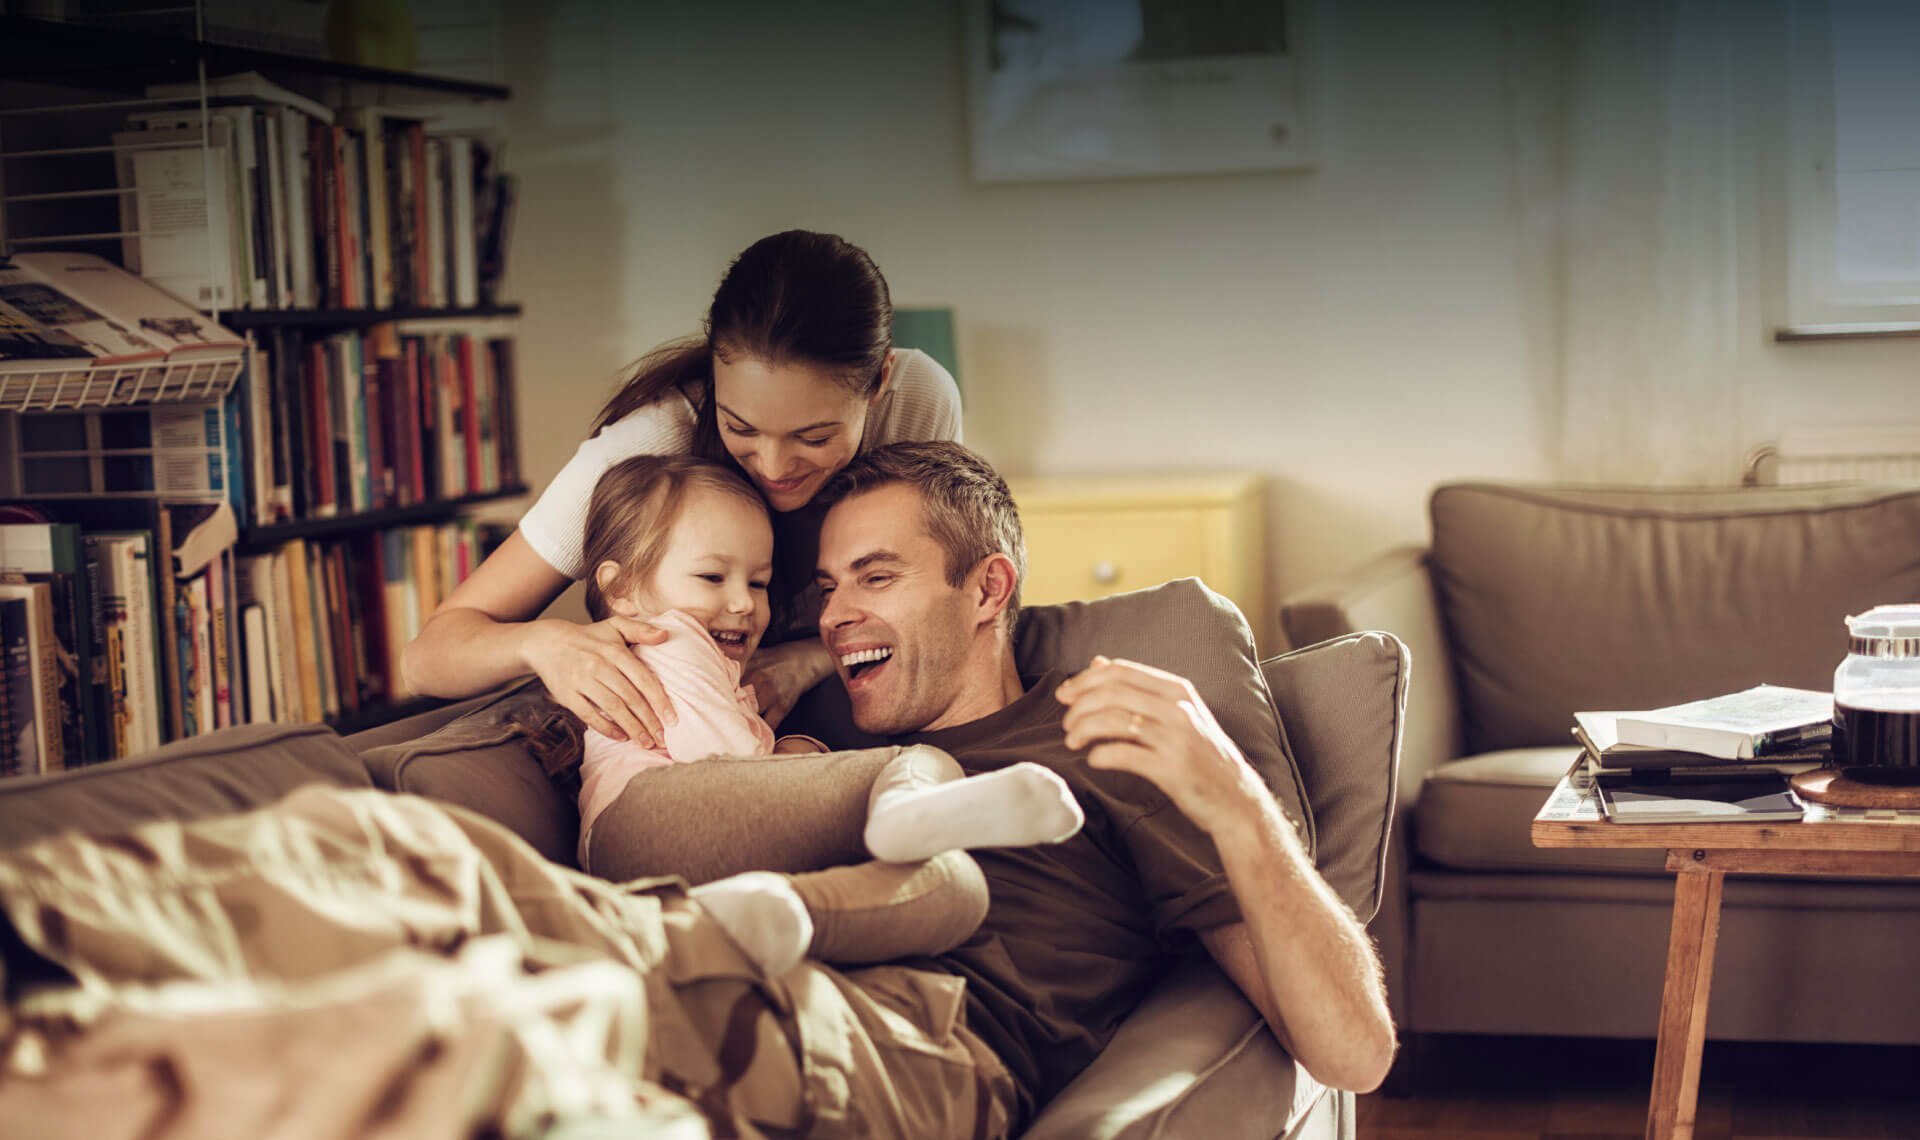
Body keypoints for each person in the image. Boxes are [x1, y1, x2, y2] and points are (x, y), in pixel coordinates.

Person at [590, 440, 1398, 1131]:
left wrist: (1237, 801)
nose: (834, 617)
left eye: (876, 578)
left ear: (987, 589)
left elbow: (1353, 1051)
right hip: (703, 968)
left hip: (913, 1040)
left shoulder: (1099, 736)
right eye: (828, 588)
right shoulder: (791, 736)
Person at [525, 451, 1084, 975]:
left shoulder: (1082, 734)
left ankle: (764, 915)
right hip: (647, 817)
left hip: (672, 859)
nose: (744, 603)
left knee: (953, 889)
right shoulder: (668, 640)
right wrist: (805, 753)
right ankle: (906, 803)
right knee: (919, 763)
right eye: (712, 578)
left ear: (990, 591)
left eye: (759, 583)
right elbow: (728, 766)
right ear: (621, 588)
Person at [400, 229, 963, 750]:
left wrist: (807, 660)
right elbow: (428, 657)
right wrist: (541, 643)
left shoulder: (919, 399)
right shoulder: (648, 447)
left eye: (813, 437)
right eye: (739, 426)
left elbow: (947, 600)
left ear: (880, 382)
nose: (773, 465)